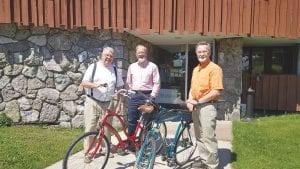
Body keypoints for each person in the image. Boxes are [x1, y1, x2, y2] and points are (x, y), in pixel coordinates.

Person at [81, 47, 124, 159]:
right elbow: (84, 82)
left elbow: (120, 87)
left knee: (107, 128)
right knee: (90, 127)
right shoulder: (94, 67)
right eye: (107, 55)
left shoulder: (114, 69)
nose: (108, 57)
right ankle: (89, 151)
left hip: (108, 103)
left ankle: (106, 149)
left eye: (111, 56)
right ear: (102, 55)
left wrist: (119, 104)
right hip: (93, 101)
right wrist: (95, 85)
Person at [186, 41, 223, 169]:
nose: (201, 54)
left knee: (208, 137)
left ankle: (212, 165)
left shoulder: (214, 69)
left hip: (207, 107)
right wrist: (190, 100)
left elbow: (216, 92)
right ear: (196, 53)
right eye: (199, 52)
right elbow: (192, 88)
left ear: (209, 52)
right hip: (196, 106)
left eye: (204, 51)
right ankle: (204, 162)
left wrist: (198, 101)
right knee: (199, 136)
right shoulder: (196, 69)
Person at [126, 45, 161, 140]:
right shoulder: (131, 67)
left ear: (146, 54)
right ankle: (131, 143)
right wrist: (130, 94)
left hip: (148, 96)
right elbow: (129, 82)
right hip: (134, 96)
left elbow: (157, 83)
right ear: (136, 54)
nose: (141, 54)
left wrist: (152, 96)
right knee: (131, 120)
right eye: (139, 52)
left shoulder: (152, 66)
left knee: (147, 121)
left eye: (143, 52)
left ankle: (146, 143)